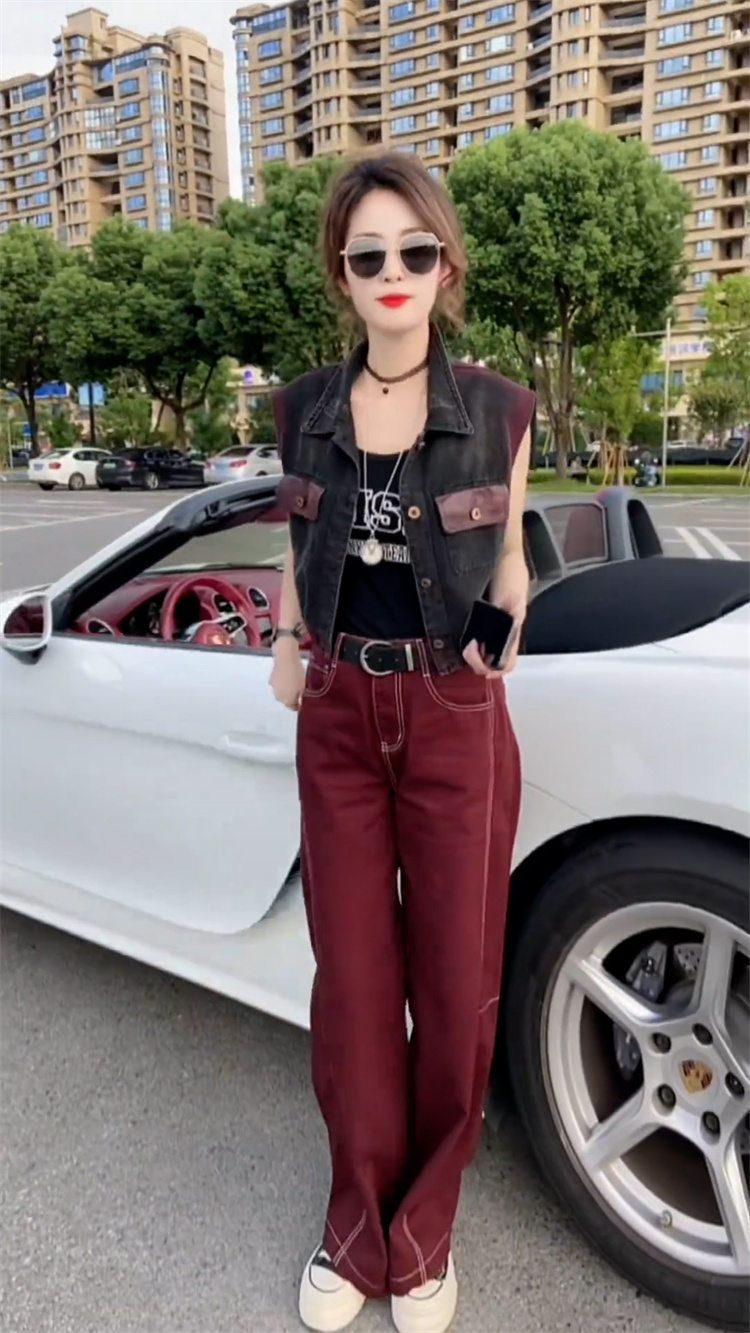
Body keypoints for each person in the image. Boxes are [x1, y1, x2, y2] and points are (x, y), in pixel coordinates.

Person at [270, 151, 535, 1333]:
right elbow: (296, 549)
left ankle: (424, 1230)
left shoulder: (500, 411)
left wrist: (503, 630)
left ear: (445, 267)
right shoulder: (301, 413)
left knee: (458, 978)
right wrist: (287, 639)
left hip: (451, 712)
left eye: (415, 251)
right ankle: (356, 1219)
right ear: (342, 271)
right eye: (368, 253)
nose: (393, 271)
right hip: (338, 710)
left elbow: (512, 561)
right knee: (356, 982)